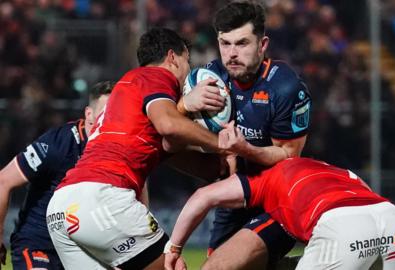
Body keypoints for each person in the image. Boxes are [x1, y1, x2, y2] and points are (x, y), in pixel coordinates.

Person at [46, 27, 235, 270]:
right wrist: (223, 144)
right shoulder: (155, 76)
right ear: (172, 58)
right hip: (102, 197)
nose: (188, 71)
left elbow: (174, 150)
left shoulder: (128, 95)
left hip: (63, 205)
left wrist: (222, 166)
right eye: (187, 61)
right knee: (173, 267)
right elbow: (169, 125)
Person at [164, 125, 395, 270]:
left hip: (343, 228)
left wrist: (173, 249)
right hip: (392, 218)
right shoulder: (331, 169)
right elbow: (366, 192)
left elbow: (203, 197)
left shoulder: (264, 178)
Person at [177, 2, 312, 268]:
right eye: (225, 43)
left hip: (276, 200)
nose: (232, 54)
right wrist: (185, 105)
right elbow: (171, 133)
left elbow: (288, 155)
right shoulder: (209, 77)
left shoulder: (285, 87)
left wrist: (244, 149)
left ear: (262, 45)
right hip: (232, 199)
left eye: (242, 43)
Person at [0, 81, 113, 270]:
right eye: (104, 114)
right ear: (89, 114)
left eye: (115, 115)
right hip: (39, 244)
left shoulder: (118, 148)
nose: (108, 121)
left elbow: (138, 188)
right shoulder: (57, 145)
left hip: (84, 250)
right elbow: (3, 180)